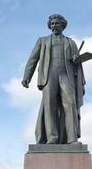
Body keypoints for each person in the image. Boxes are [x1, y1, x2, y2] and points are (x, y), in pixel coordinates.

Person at [21, 14, 85, 144]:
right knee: (49, 105)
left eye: (56, 24)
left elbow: (76, 64)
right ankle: (52, 138)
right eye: (52, 24)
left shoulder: (71, 43)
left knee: (71, 104)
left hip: (66, 74)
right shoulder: (42, 40)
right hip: (49, 74)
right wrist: (27, 77)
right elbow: (33, 59)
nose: (54, 26)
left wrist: (76, 61)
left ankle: (72, 139)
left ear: (63, 25)